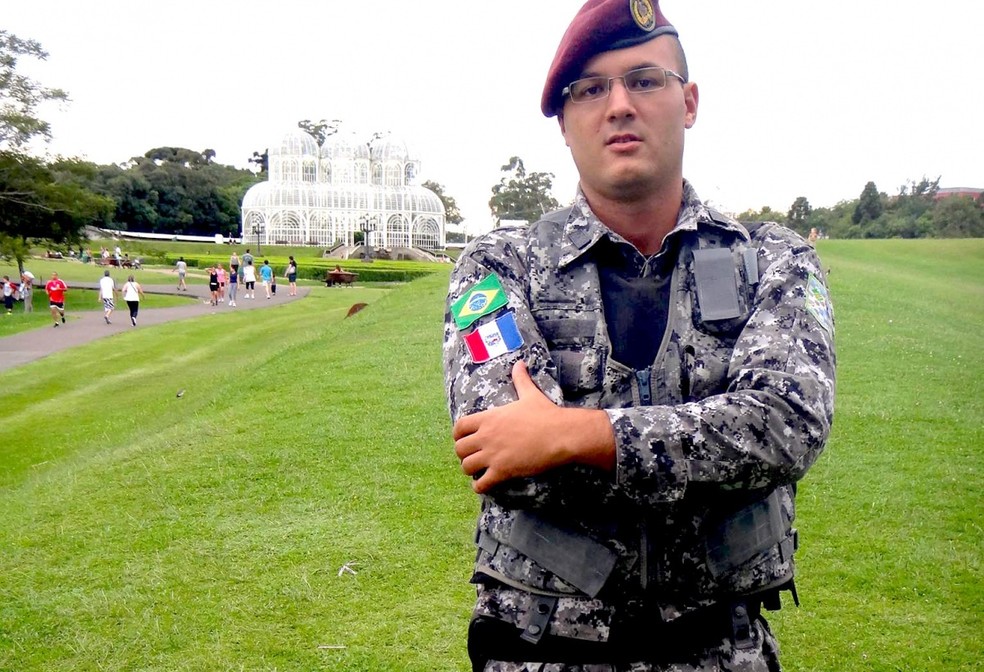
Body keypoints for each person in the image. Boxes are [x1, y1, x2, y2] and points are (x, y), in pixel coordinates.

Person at [442, 2, 837, 671]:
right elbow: (505, 456)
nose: (619, 104)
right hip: (541, 653)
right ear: (565, 125)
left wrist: (576, 435)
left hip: (720, 651)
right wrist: (709, 451)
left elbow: (785, 426)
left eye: (644, 80)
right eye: (591, 89)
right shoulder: (498, 269)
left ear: (688, 102)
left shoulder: (774, 259)